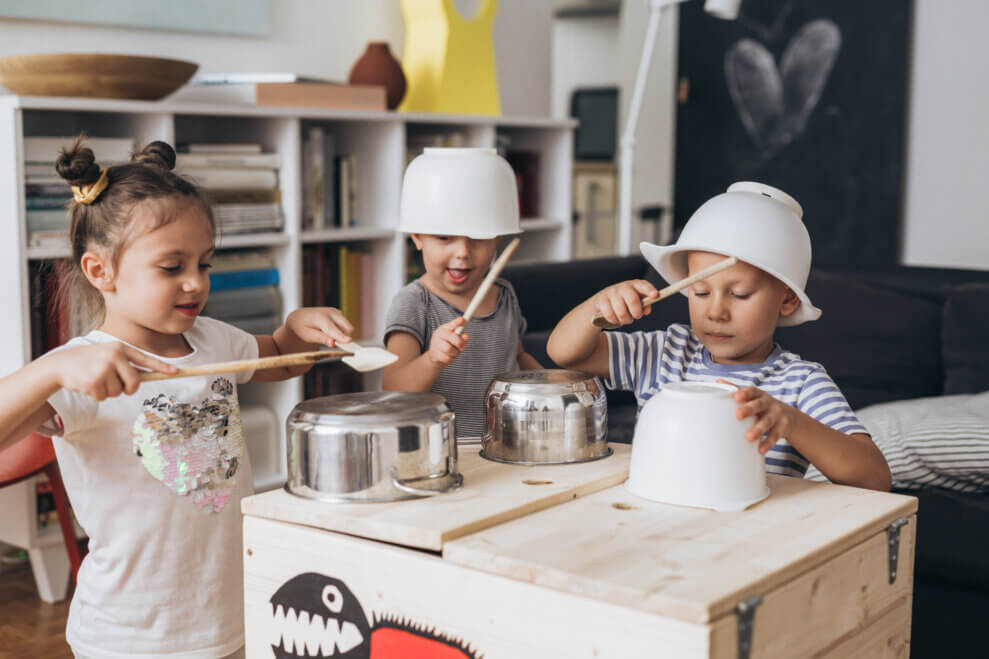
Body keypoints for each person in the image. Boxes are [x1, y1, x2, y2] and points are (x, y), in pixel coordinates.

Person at [0, 137, 355, 658]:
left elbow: (280, 355)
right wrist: (52, 369)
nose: (195, 283)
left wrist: (299, 330)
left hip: (228, 616)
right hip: (130, 635)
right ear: (101, 271)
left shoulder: (213, 339)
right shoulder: (79, 370)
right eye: (172, 268)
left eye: (205, 264)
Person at [547, 182, 891, 491]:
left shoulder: (801, 383)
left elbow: (874, 478)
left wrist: (791, 422)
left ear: (786, 299)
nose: (716, 312)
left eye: (739, 295)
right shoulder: (665, 353)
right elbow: (566, 354)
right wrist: (600, 306)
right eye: (699, 292)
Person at [382, 147, 540, 439]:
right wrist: (433, 359)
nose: (463, 253)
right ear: (417, 236)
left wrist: (550, 386)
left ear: (497, 239)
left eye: (478, 238)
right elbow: (393, 388)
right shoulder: (414, 303)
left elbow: (517, 357)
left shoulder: (505, 294)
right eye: (444, 238)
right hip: (439, 453)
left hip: (506, 444)